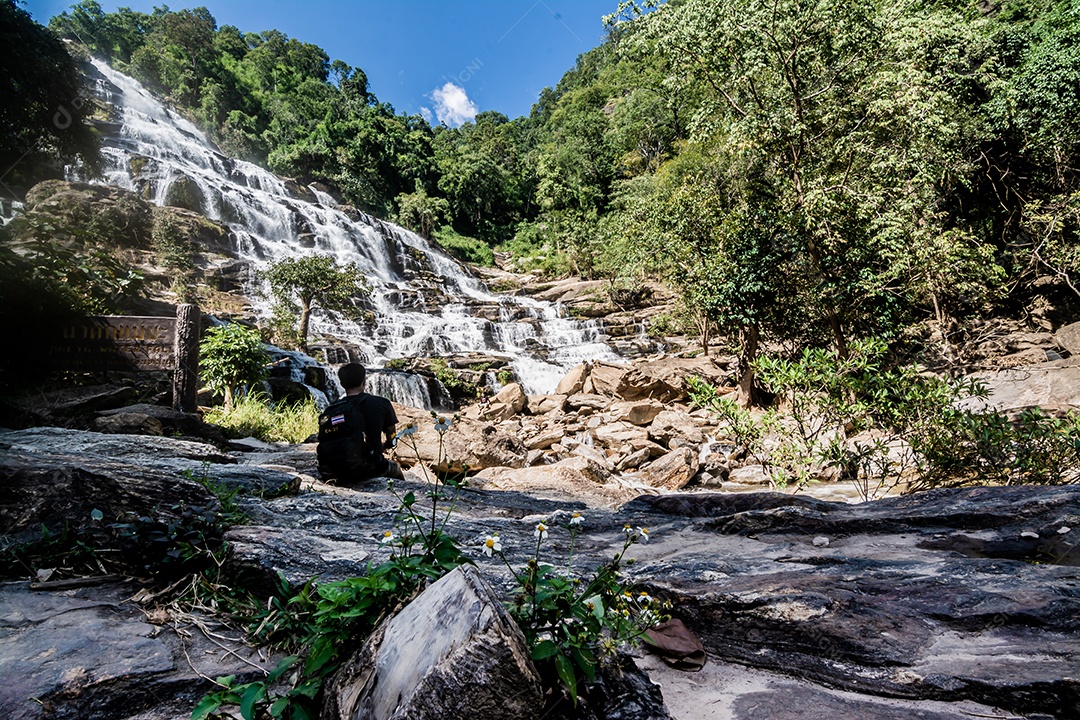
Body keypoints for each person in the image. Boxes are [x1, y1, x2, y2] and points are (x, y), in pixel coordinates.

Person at [317, 363, 405, 483]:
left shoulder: (332, 409)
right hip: (369, 467)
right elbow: (392, 434)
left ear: (342, 384)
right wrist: (388, 444)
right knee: (396, 469)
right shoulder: (381, 403)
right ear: (364, 381)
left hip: (333, 470)